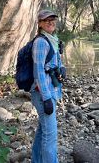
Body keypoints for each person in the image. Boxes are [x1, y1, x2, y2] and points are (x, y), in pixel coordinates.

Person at [30, 9, 65, 163]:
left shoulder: (52, 39)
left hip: (50, 91)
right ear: (40, 24)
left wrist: (61, 67)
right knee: (50, 137)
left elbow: (54, 61)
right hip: (43, 94)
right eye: (46, 20)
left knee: (43, 131)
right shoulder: (40, 42)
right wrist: (46, 99)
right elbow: (38, 72)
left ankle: (36, 160)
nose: (50, 22)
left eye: (52, 19)